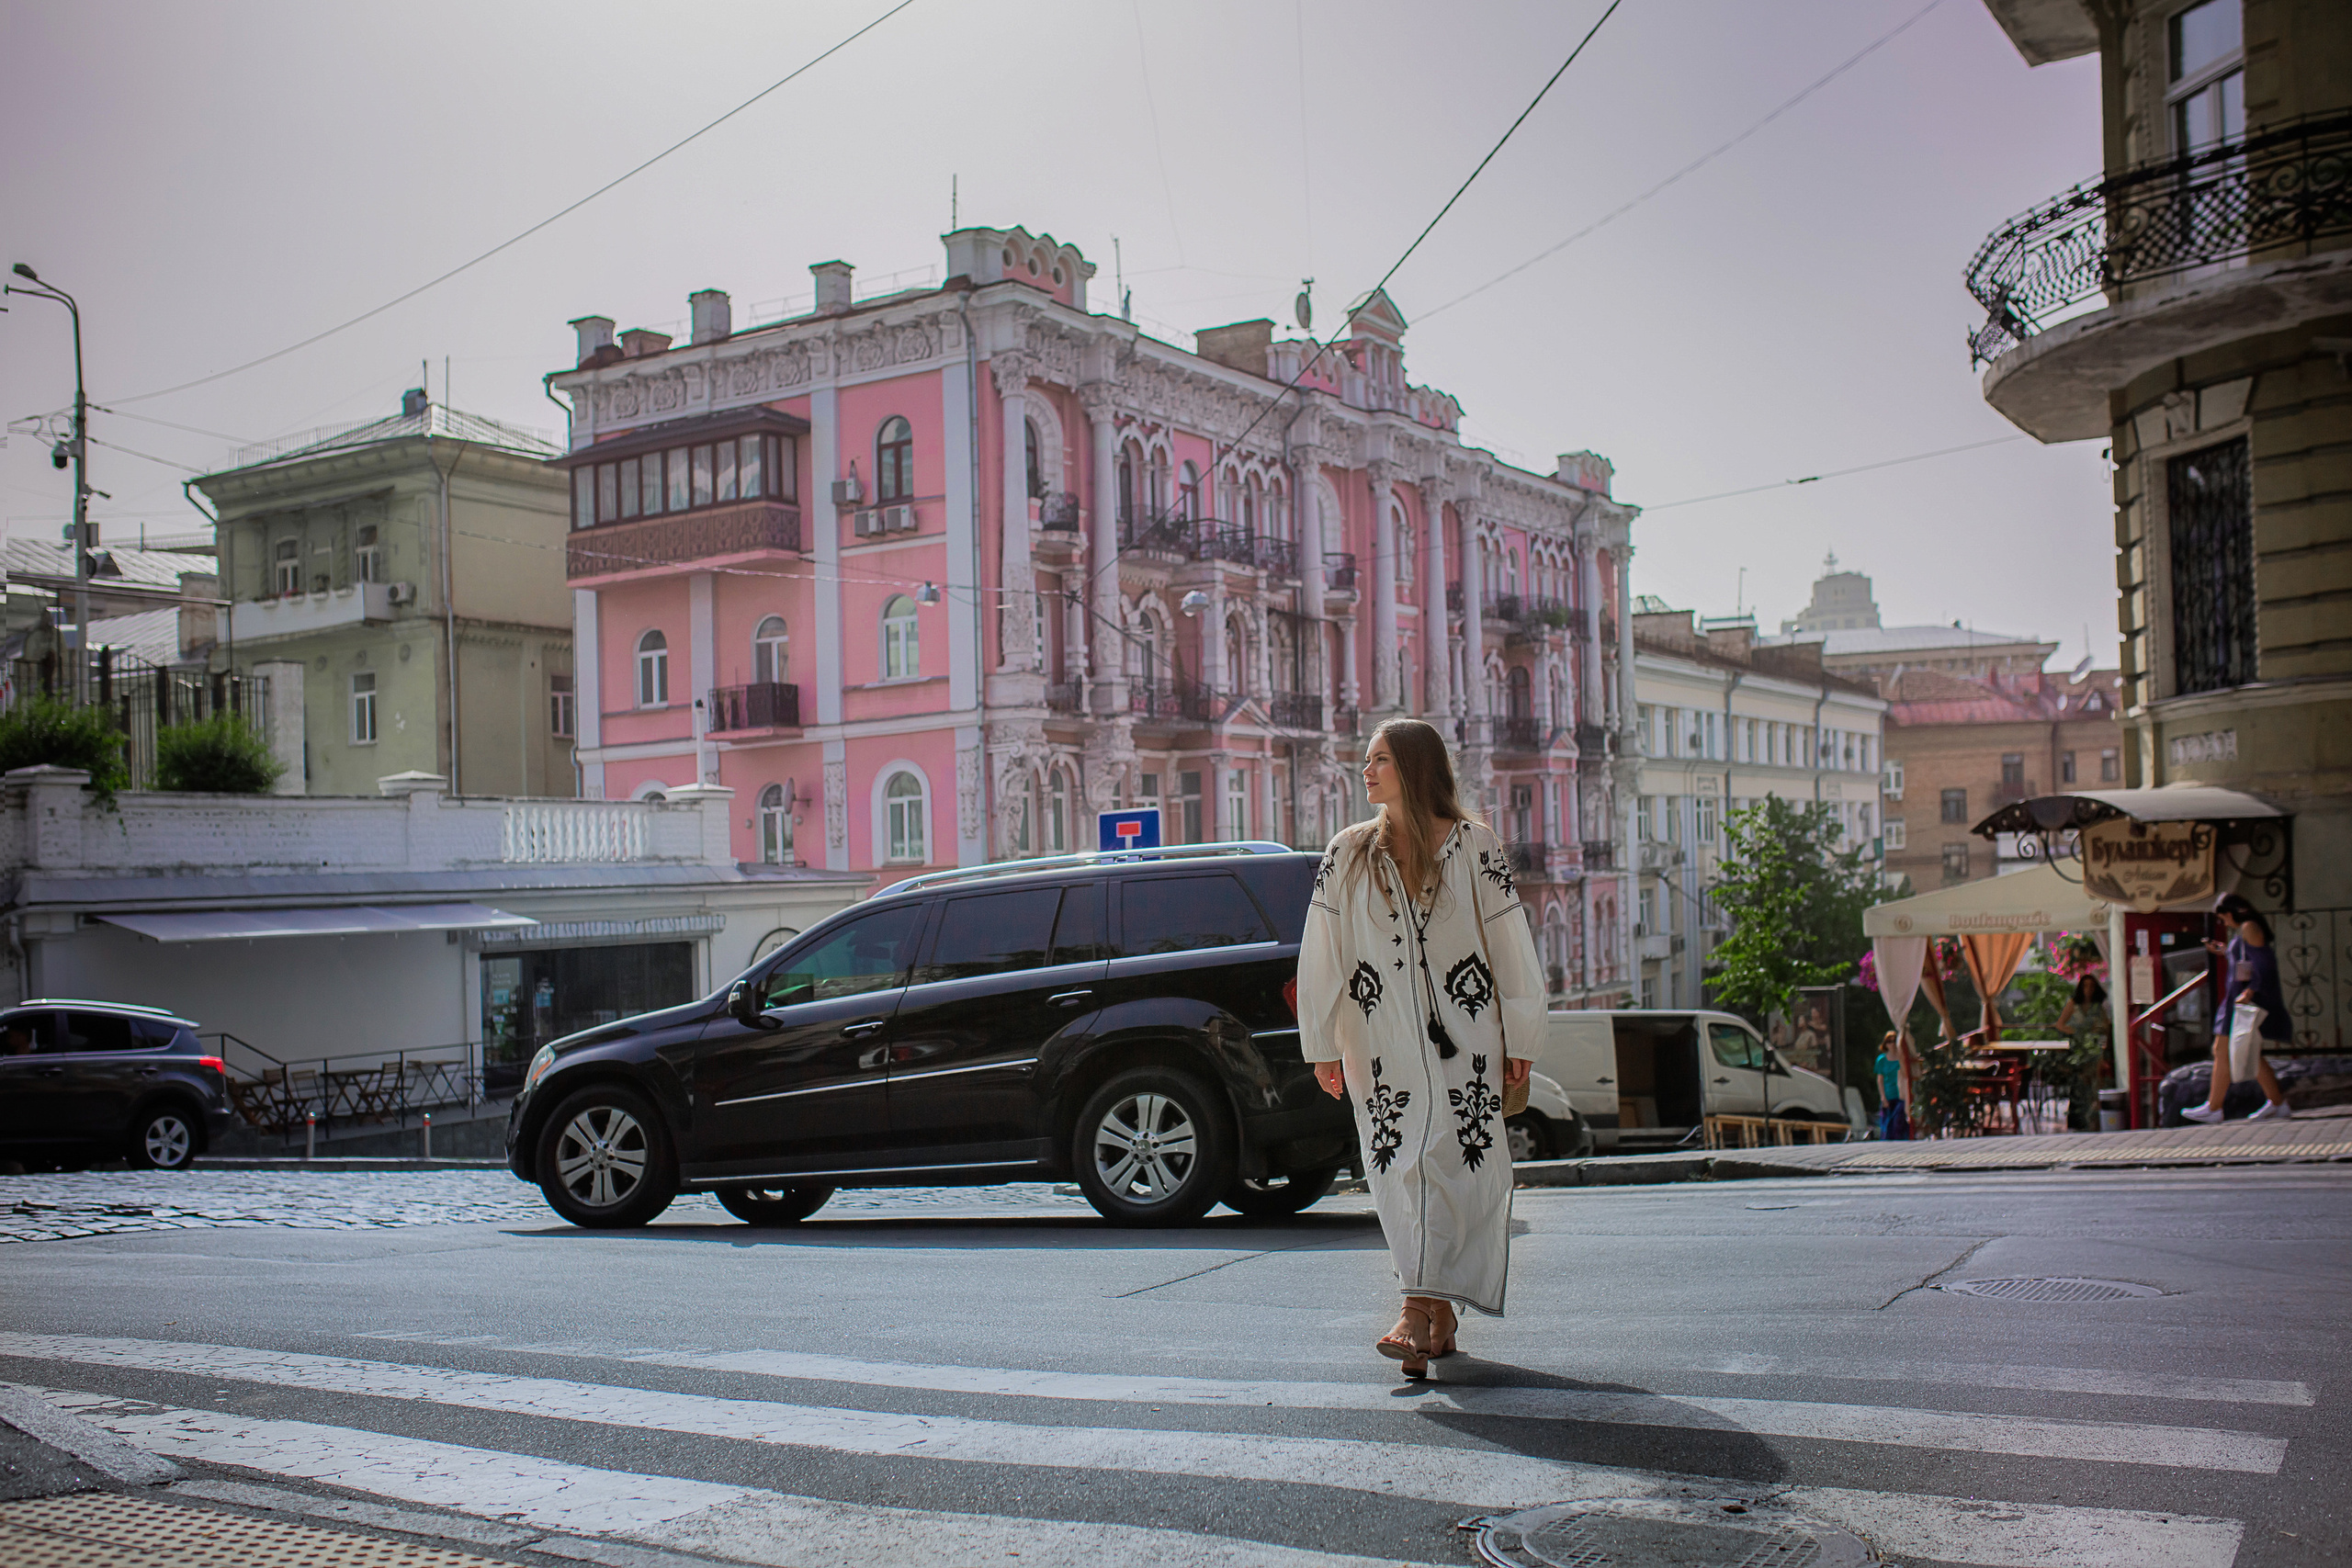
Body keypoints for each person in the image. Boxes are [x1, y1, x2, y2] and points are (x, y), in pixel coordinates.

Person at [1296, 719, 1543, 1379]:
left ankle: (1414, 1310)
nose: (1366, 771)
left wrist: (1521, 1032)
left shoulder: (1475, 845)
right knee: (1397, 1167)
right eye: (1366, 760)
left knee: (1451, 1161)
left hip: (1468, 1036)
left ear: (1413, 766)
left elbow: (1509, 940)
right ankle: (1434, 1313)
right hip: (1378, 1038)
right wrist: (1321, 1043)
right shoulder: (1348, 852)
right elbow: (1322, 951)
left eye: (1379, 759)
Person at [2185, 893, 2292, 1123]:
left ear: (2232, 912)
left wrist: (2251, 991)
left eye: (2224, 918)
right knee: (2247, 1051)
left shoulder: (2249, 927)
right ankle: (2277, 1103)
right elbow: (2247, 958)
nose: (2224, 923)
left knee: (2223, 1049)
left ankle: (2214, 1107)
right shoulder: (2245, 929)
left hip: (2242, 999)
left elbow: (2264, 964)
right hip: (2237, 997)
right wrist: (2224, 950)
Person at [1874, 1032, 1909, 1141]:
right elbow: (1880, 1079)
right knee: (1887, 1126)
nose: (1892, 1044)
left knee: (1898, 1124)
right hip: (1888, 1095)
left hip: (1901, 1095)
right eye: (1889, 1042)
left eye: (1894, 1041)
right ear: (1885, 1044)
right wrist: (1883, 1097)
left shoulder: (1901, 1058)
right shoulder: (1881, 1060)